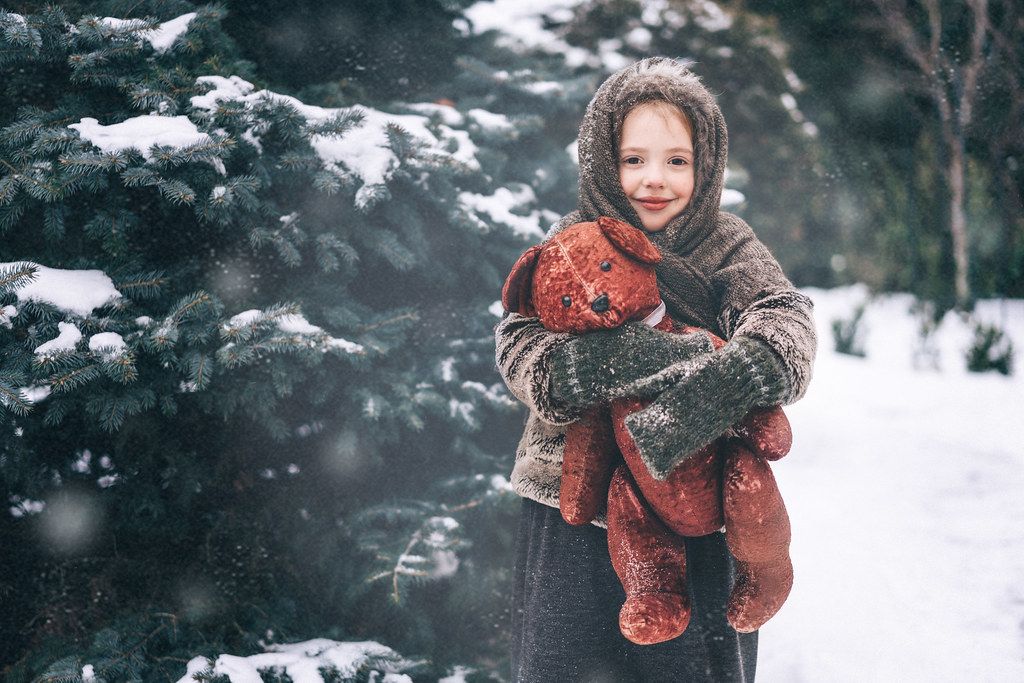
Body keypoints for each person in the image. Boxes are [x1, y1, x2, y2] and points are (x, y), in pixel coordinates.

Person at [495, 57, 817, 683]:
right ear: (601, 162)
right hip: (572, 506)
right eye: (633, 158)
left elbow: (785, 314)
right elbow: (517, 340)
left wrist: (738, 374)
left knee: (690, 663)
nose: (655, 179)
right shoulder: (573, 239)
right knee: (564, 659)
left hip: (689, 499)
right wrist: (588, 367)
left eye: (677, 160)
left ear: (707, 166)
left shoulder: (725, 245)